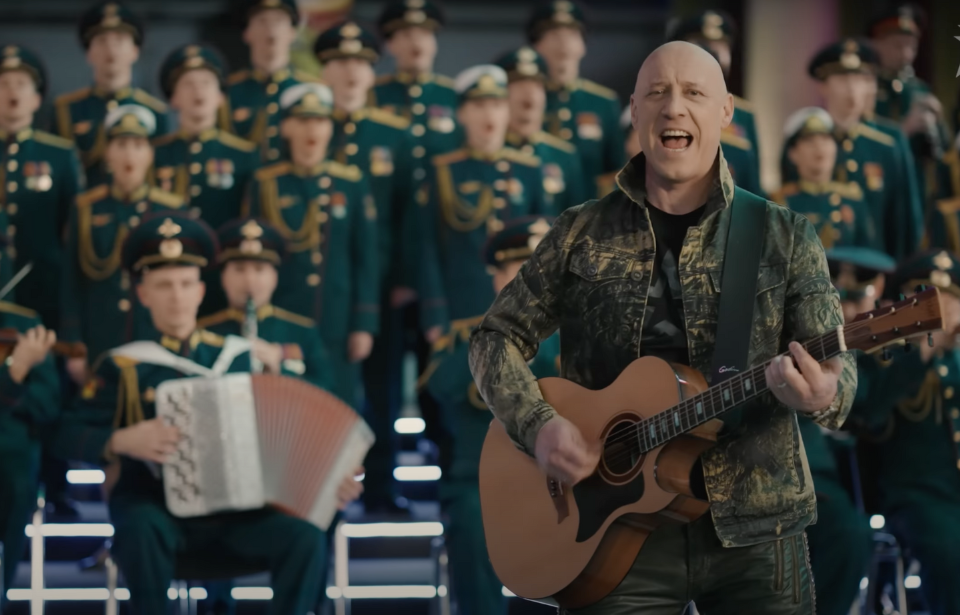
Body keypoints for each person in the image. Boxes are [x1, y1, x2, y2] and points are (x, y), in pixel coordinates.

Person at [470, 42, 857, 614]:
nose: (674, 107)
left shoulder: (784, 234)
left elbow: (839, 375)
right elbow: (492, 337)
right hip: (611, 530)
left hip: (757, 528)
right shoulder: (580, 231)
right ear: (634, 110)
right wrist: (539, 425)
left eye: (694, 93)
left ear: (726, 111)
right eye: (657, 93)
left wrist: (825, 392)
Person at [53, 212, 362, 615]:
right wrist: (120, 440)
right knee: (137, 527)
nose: (176, 297)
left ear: (201, 290)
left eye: (185, 284)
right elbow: (62, 433)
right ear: (143, 294)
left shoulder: (237, 359)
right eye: (163, 286)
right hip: (159, 513)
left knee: (304, 536)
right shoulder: (123, 366)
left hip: (239, 517)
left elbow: (290, 433)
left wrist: (329, 477)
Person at [427, 216, 559, 615]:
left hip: (560, 476)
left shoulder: (578, 335)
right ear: (496, 278)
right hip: (483, 481)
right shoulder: (464, 335)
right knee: (469, 520)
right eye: (518, 272)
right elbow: (440, 389)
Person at [312, 20, 419, 511]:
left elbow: (406, 216)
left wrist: (401, 280)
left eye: (360, 63)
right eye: (339, 63)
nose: (350, 72)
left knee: (383, 392)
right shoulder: (310, 127)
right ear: (324, 70)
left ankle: (380, 486)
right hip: (327, 292)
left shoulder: (393, 134)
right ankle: (321, 481)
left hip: (381, 290)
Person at [245, 82, 378, 407]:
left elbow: (366, 257)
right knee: (281, 407)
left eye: (319, 121)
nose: (312, 129)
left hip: (337, 320)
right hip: (283, 317)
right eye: (303, 120)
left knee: (338, 405)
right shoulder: (266, 184)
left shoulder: (351, 182)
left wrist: (363, 323)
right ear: (287, 126)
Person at [847, 249, 960, 615]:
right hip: (917, 498)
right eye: (928, 301)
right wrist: (923, 352)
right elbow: (868, 411)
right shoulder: (882, 359)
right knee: (950, 552)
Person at [418, 64, 547, 346]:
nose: (489, 114)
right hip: (461, 309)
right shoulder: (443, 171)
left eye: (497, 105)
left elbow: (546, 246)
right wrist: (434, 312)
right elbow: (428, 249)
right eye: (479, 105)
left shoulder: (529, 170)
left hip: (520, 310)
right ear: (462, 114)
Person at [60, 104, 183, 383]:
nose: (129, 154)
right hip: (100, 337)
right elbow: (71, 282)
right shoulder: (86, 208)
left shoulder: (171, 210)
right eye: (121, 145)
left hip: (155, 336)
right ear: (108, 154)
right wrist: (74, 345)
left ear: (150, 155)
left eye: (138, 145)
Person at [801, 246, 895, 615]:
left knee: (849, 535)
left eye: (857, 298)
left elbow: (868, 404)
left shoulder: (872, 347)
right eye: (839, 298)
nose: (848, 311)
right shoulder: (797, 317)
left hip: (817, 477)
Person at [790, 38, 923, 260]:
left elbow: (905, 220)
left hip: (876, 271)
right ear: (823, 85)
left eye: (860, 79)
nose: (852, 88)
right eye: (842, 79)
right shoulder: (805, 141)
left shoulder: (888, 144)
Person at [153, 43, 260, 317]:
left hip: (221, 275)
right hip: (169, 276)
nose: (198, 91)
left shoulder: (243, 155)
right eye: (187, 84)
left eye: (206, 83)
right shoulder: (156, 154)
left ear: (221, 96)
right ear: (173, 98)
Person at [0, 45, 84, 328]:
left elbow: (72, 228)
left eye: (21, 84)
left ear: (36, 99)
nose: (12, 92)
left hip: (44, 286)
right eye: (4, 84)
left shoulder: (59, 154)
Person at [198, 217, 332, 391]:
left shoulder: (303, 333)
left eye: (259, 269)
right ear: (223, 277)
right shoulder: (202, 333)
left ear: (274, 278)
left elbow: (328, 392)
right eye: (239, 269)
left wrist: (280, 371)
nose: (249, 280)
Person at [0, 238, 60, 603]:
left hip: (11, 461)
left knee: (16, 473)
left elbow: (47, 404)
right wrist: (14, 371)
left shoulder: (25, 325)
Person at [55, 1, 168, 187]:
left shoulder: (155, 111)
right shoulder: (66, 110)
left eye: (119, 41)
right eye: (101, 41)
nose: (111, 49)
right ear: (88, 53)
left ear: (135, 51)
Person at [527, 0, 624, 199]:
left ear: (583, 45)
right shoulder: (526, 101)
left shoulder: (603, 103)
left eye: (572, 35)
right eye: (553, 35)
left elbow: (616, 171)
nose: (563, 44)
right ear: (535, 45)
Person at [666, 9, 763, 196]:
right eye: (703, 44)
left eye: (721, 44)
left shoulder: (744, 114)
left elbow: (753, 183)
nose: (713, 51)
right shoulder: (664, 105)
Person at [495, 46, 587, 213]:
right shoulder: (491, 153)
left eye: (537, 85)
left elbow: (579, 221)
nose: (529, 93)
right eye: (518, 85)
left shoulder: (564, 156)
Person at [771, 107, 875, 250]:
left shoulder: (853, 200)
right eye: (809, 140)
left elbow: (870, 255)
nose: (819, 146)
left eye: (826, 139)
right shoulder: (780, 202)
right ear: (792, 153)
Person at [227, 0, 314, 163]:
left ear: (293, 32)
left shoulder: (312, 90)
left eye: (279, 21)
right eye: (262, 21)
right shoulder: (229, 91)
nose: (271, 30)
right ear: (247, 32)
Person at [373, 0, 459, 158]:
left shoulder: (453, 94)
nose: (417, 42)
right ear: (390, 45)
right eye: (407, 35)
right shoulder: (374, 94)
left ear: (435, 44)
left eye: (425, 34)